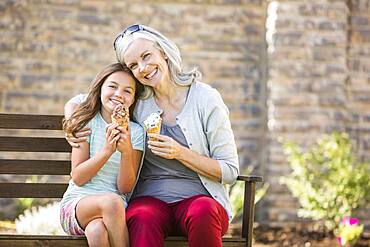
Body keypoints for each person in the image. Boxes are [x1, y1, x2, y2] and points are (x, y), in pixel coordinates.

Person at [65, 24, 239, 247]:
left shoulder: (206, 99)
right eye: (134, 65)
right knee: (142, 216)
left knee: (203, 211)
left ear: (164, 52)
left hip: (201, 200)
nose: (144, 68)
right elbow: (84, 100)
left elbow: (230, 171)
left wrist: (180, 153)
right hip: (150, 199)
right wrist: (72, 122)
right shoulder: (138, 102)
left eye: (147, 56)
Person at [60, 63, 144, 247]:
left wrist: (127, 152)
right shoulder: (87, 122)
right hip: (77, 205)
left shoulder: (136, 133)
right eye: (112, 86)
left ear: (133, 99)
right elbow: (78, 177)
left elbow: (125, 188)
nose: (119, 94)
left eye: (127, 91)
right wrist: (107, 151)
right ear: (100, 89)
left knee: (97, 230)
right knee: (112, 203)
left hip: (114, 211)